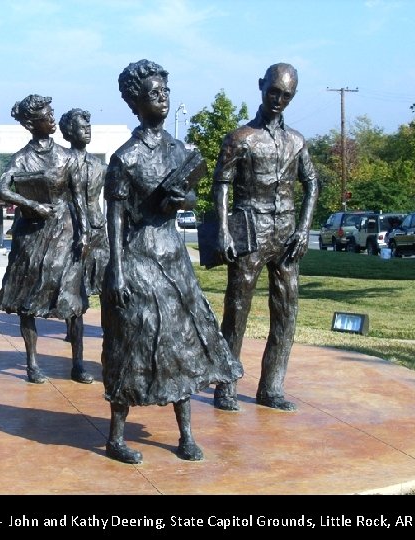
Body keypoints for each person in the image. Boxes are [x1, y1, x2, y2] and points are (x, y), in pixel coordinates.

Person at [101, 59, 243, 464]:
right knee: (133, 342)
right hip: (137, 255)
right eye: (153, 91)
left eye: (166, 89)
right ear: (134, 100)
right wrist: (116, 267)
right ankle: (116, 435)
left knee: (180, 341)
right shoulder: (124, 158)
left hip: (173, 256)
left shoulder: (180, 151)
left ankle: (185, 432)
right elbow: (114, 216)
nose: (162, 96)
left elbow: (190, 201)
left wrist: (184, 199)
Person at [211, 63, 319, 412]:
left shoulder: (297, 141)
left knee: (286, 311)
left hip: (287, 236)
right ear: (262, 87)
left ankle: (271, 387)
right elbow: (222, 184)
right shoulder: (240, 138)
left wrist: (303, 228)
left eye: (286, 95)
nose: (278, 99)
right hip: (250, 231)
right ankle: (226, 386)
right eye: (274, 91)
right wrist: (224, 230)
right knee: (237, 309)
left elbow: (312, 184)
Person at [0, 94, 92, 385]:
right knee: (28, 300)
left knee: (73, 301)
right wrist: (31, 205)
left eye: (53, 113)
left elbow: (79, 198)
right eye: (46, 115)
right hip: (32, 236)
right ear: (30, 123)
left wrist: (85, 232)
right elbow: (2, 188)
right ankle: (32, 363)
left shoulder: (68, 156)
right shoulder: (22, 157)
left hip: (65, 231)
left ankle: (77, 363)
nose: (52, 118)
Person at [59, 108, 109, 341]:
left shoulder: (98, 165)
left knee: (106, 281)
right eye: (82, 126)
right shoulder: (63, 163)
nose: (87, 130)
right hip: (72, 230)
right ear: (69, 132)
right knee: (75, 283)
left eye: (89, 126)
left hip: (98, 228)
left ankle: (109, 327)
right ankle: (72, 328)